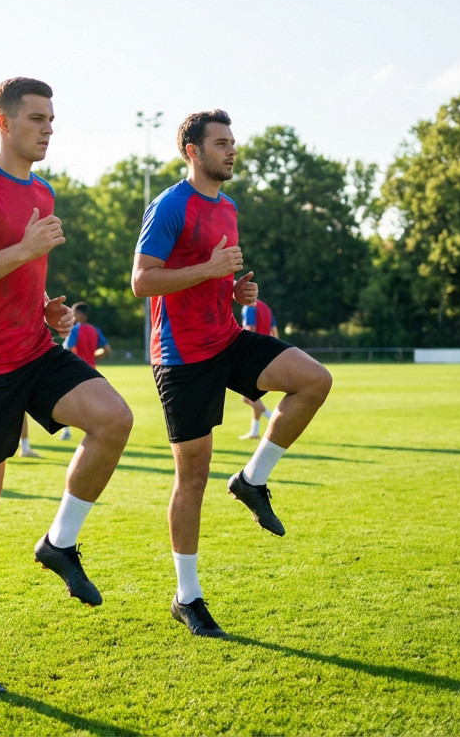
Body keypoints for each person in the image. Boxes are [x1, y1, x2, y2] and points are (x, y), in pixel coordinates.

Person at [0, 76, 133, 694]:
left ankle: (59, 543)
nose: (48, 128)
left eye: (52, 118)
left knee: (114, 419)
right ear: (4, 122)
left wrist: (49, 312)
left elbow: (19, 278)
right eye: (37, 118)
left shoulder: (43, 193)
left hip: (34, 349)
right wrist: (23, 252)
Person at [131, 109, 332, 639]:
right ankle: (187, 596)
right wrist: (208, 272)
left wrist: (235, 291)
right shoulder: (169, 205)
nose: (231, 150)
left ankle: (253, 479)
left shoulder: (229, 206)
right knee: (192, 478)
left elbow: (217, 276)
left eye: (232, 142)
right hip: (180, 355)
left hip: (226, 337)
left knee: (314, 380)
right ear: (193, 151)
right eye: (221, 143)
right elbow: (142, 281)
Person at [59, 302, 111, 440]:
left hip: (76, 371)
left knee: (66, 401)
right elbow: (107, 350)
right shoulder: (95, 330)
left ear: (81, 315)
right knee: (92, 404)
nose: (73, 317)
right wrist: (92, 357)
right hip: (92, 371)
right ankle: (99, 431)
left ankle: (66, 431)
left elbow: (68, 350)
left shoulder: (74, 330)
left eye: (74, 314)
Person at [238, 298, 278, 440]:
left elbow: (250, 328)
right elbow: (274, 331)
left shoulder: (248, 306)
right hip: (266, 352)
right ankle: (254, 431)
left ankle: (273, 417)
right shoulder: (266, 307)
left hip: (253, 353)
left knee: (247, 398)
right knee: (253, 396)